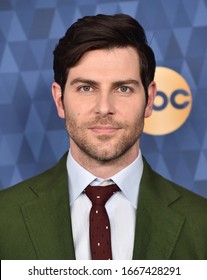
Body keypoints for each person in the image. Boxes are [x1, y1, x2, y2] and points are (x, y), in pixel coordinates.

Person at [0, 14, 207, 260]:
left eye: (123, 88)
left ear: (149, 100)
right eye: (86, 88)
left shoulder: (200, 221)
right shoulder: (5, 216)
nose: (104, 107)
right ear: (59, 100)